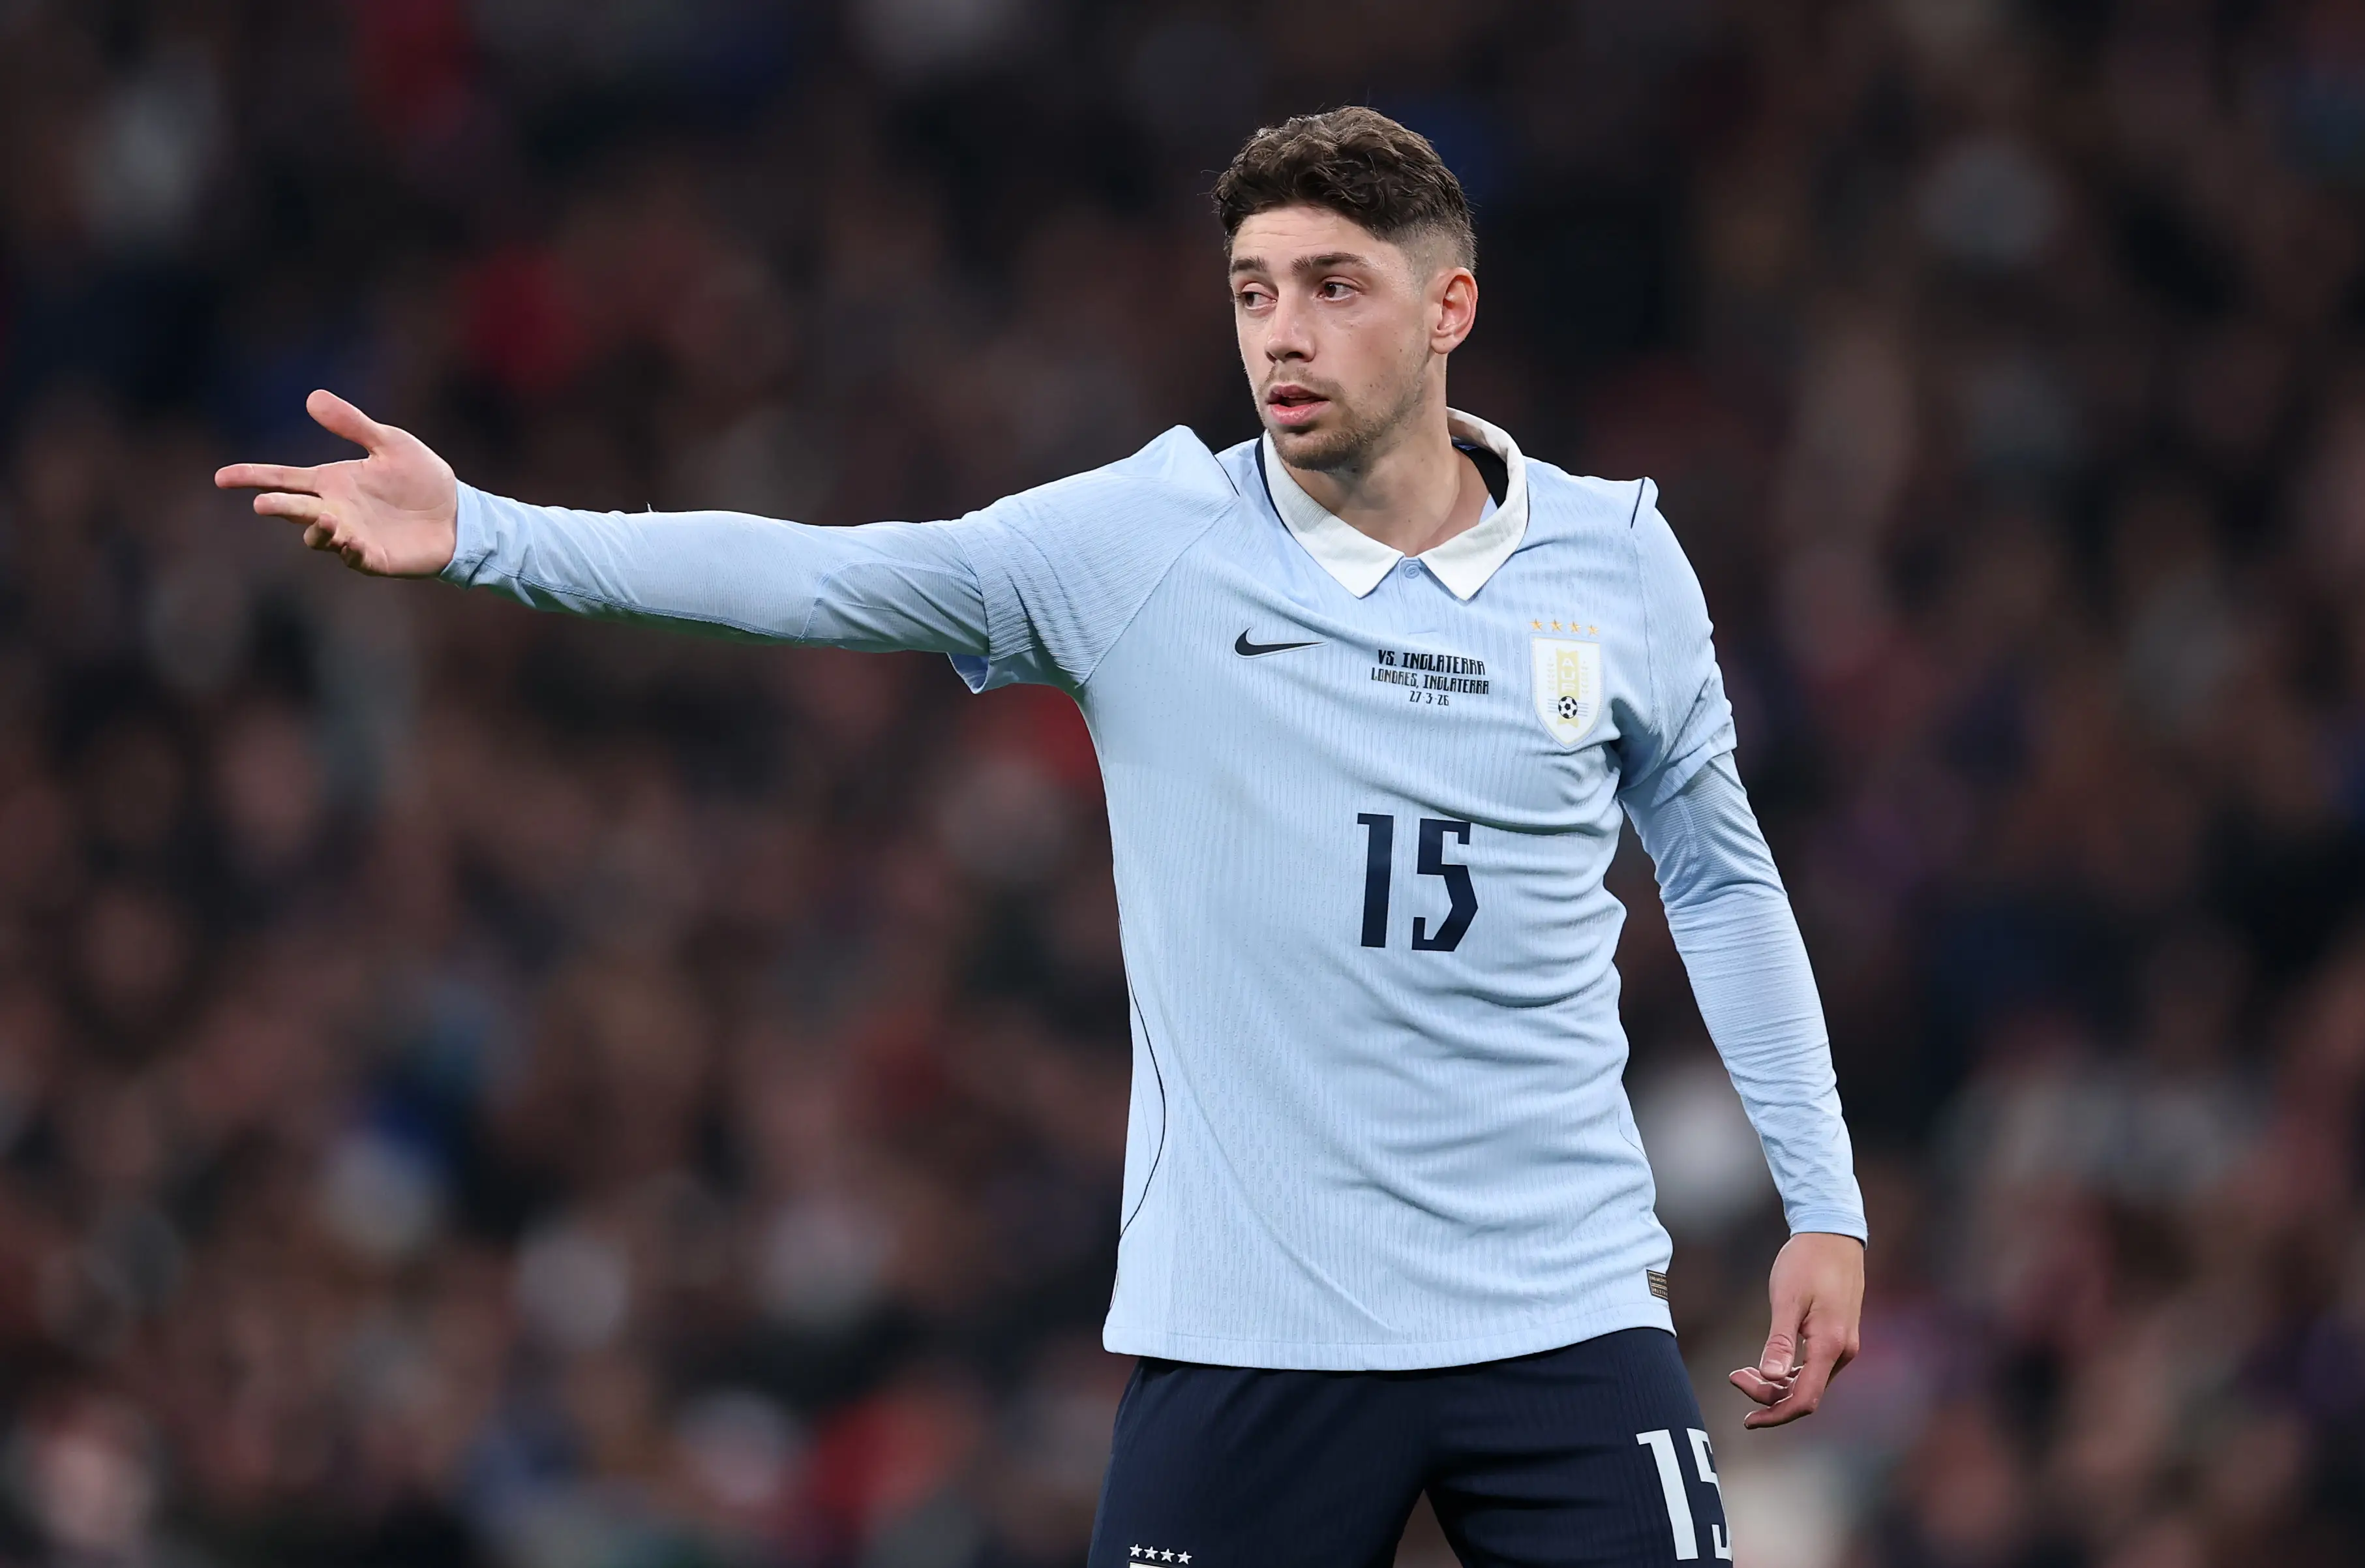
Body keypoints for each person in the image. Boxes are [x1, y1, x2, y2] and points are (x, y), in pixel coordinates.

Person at [219, 108, 1864, 1568]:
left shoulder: (1617, 560)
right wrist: (490, 534)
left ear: (1451, 310)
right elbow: (822, 576)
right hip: (1251, 1329)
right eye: (1252, 289)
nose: (1280, 333)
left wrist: (1825, 1202)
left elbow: (1720, 877)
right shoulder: (1140, 541)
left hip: (1560, 1310)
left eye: (1333, 286)